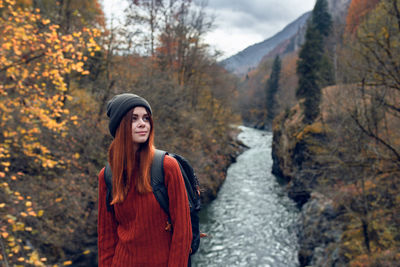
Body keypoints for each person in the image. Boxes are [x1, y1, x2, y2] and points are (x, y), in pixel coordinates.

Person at [98, 93, 192, 266]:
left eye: (146, 118)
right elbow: (106, 239)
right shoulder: (107, 176)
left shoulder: (167, 166)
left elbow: (183, 231)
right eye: (134, 119)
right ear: (120, 126)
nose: (143, 123)